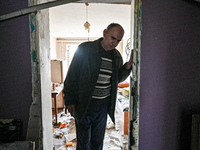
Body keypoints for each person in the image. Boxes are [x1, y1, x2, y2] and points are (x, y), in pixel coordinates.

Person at [63, 23, 134, 150]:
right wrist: (69, 100)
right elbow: (71, 76)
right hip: (84, 104)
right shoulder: (85, 49)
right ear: (105, 32)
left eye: (118, 40)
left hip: (102, 107)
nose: (115, 43)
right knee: (84, 143)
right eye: (113, 38)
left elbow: (116, 79)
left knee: (97, 142)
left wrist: (128, 66)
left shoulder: (116, 56)